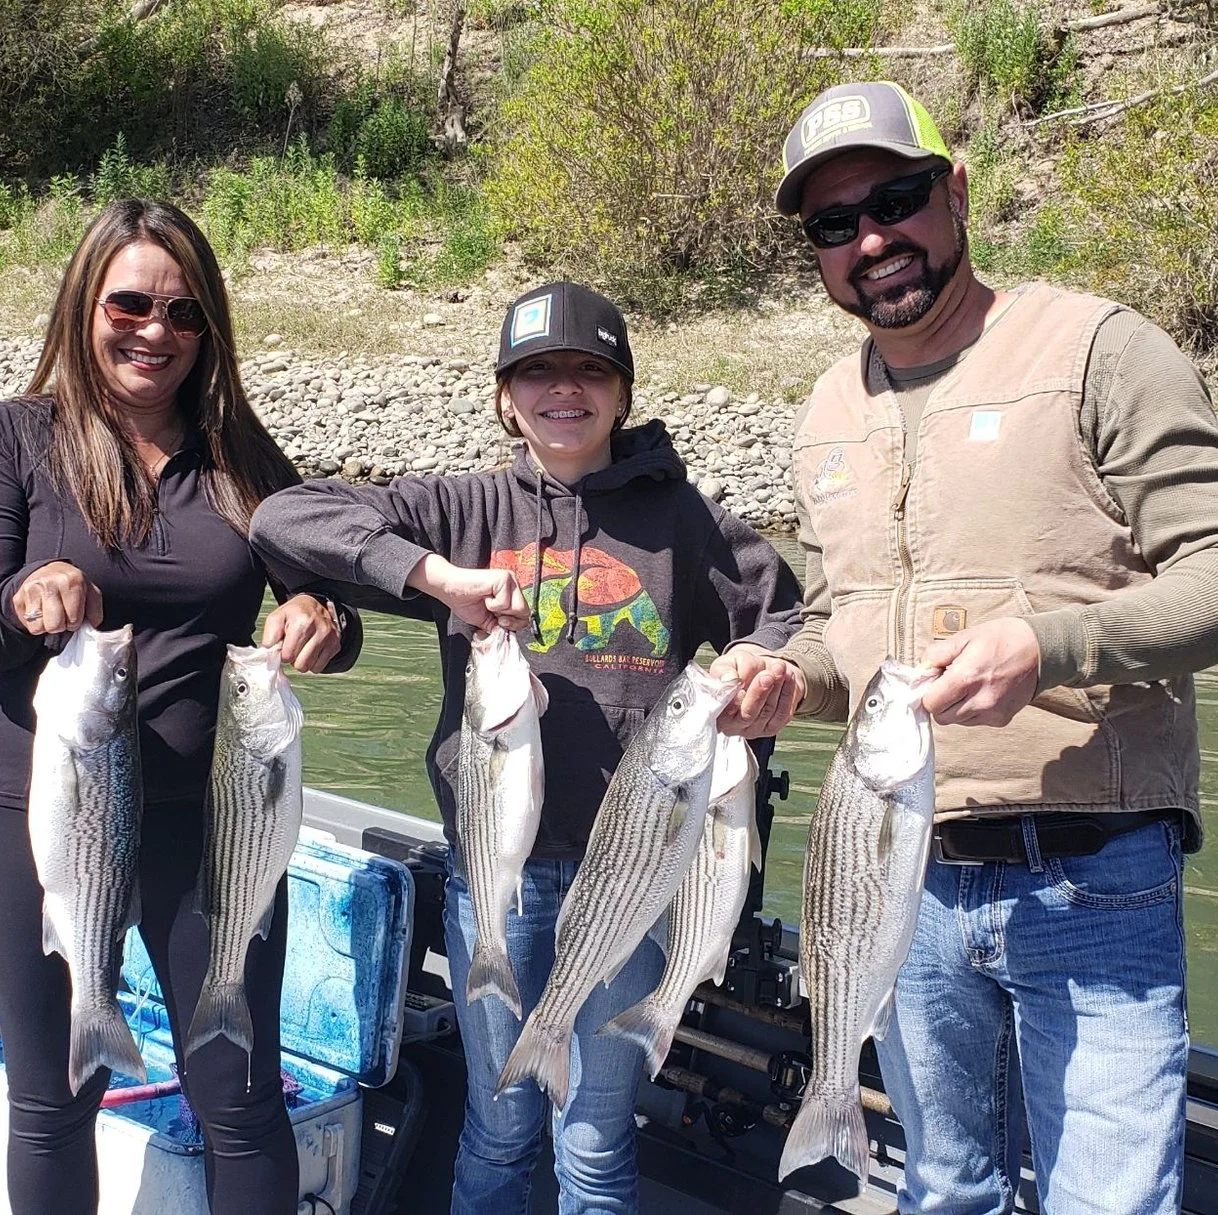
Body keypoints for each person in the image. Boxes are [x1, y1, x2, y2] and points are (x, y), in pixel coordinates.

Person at [769, 82, 1218, 1215]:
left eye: (895, 199)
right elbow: (835, 629)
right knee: (943, 1193)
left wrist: (1050, 649)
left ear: (955, 192)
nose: (871, 241)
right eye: (832, 224)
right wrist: (781, 682)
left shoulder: (1099, 347)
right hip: (894, 882)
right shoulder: (823, 410)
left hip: (1092, 875)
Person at [249, 280, 803, 1214]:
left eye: (591, 370)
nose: (564, 390)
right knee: (499, 1126)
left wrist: (759, 660)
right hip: (490, 878)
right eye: (536, 372)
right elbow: (282, 520)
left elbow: (786, 611)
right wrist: (433, 576)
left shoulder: (683, 523)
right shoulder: (461, 511)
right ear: (505, 396)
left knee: (593, 1141)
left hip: (629, 871)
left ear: (623, 393)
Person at [0, 198, 362, 1215]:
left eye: (184, 315)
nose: (155, 333)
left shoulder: (243, 459)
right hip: (40, 807)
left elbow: (339, 615)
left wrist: (319, 617)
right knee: (52, 1098)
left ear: (208, 330)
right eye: (130, 303)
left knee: (240, 1096)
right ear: (84, 304)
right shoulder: (9, 439)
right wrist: (23, 597)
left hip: (212, 822)